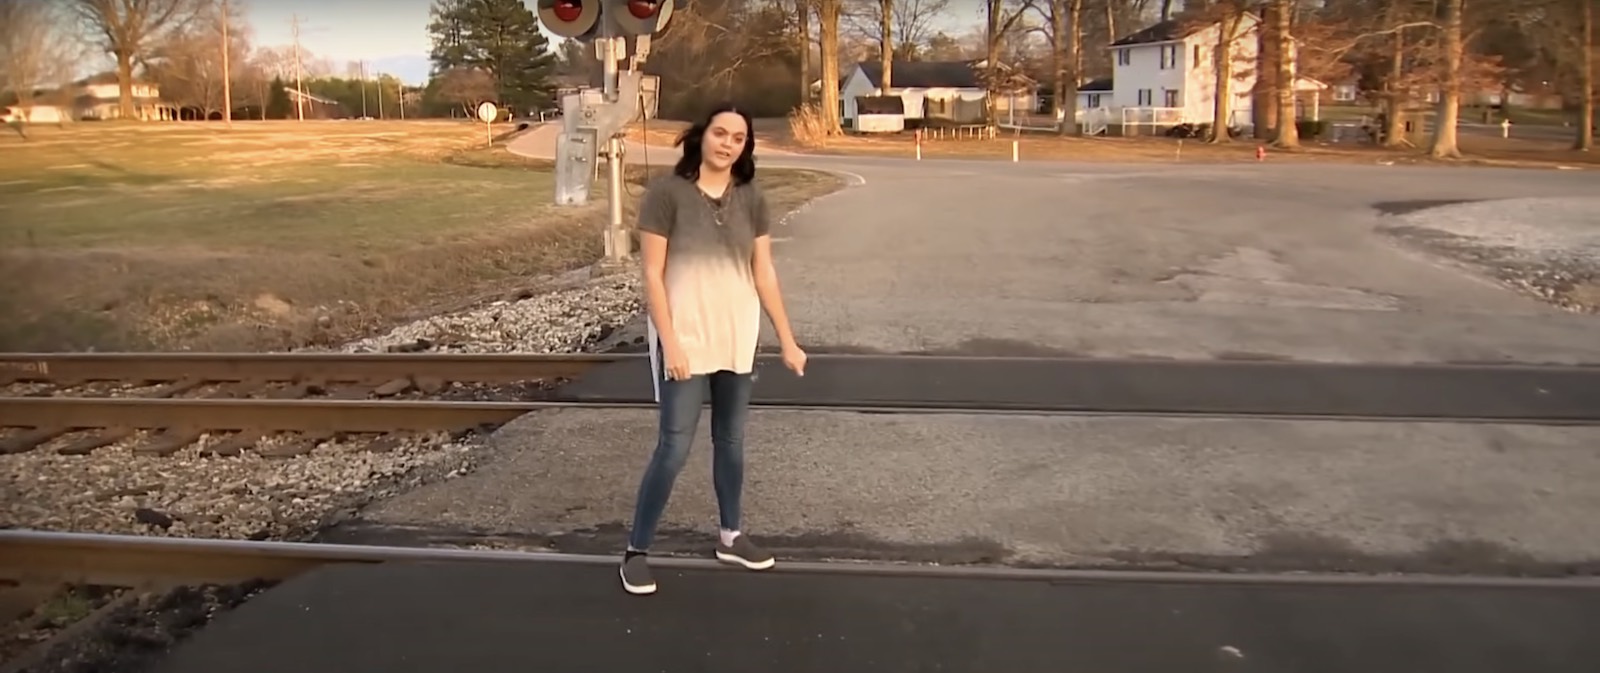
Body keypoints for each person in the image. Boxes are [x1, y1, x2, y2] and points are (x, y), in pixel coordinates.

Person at [619, 103, 807, 596]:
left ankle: (730, 534)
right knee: (674, 447)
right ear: (702, 137)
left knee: (731, 442)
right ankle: (636, 550)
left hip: (737, 335)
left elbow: (763, 272)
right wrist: (671, 341)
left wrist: (786, 337)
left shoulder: (753, 199)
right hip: (686, 337)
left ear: (745, 147)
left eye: (738, 138)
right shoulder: (666, 194)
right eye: (720, 133)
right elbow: (653, 277)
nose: (727, 143)